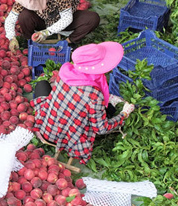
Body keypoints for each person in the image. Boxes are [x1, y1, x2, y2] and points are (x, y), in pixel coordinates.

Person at [32, 42, 135, 171]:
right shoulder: (94, 95)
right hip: (68, 139)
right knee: (107, 113)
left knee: (42, 84)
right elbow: (101, 128)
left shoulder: (65, 72)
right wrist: (124, 114)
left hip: (47, 128)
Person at [4, 0, 101, 52]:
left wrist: (47, 32)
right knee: (24, 15)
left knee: (93, 18)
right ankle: (29, 41)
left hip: (61, 21)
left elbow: (67, 18)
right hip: (41, 21)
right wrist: (11, 38)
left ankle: (69, 42)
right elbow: (11, 18)